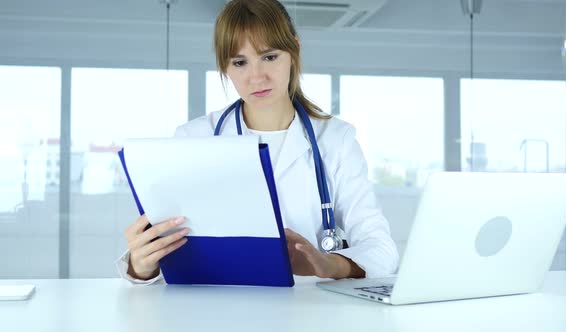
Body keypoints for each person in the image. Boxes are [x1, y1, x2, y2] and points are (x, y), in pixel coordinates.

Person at [116, 0, 399, 284]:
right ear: (225, 67)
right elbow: (161, 252)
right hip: (216, 312)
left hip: (309, 315)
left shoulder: (336, 140)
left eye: (270, 57)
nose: (257, 77)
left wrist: (329, 265)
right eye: (240, 62)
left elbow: (382, 250)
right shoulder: (193, 139)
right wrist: (141, 266)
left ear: (294, 50)